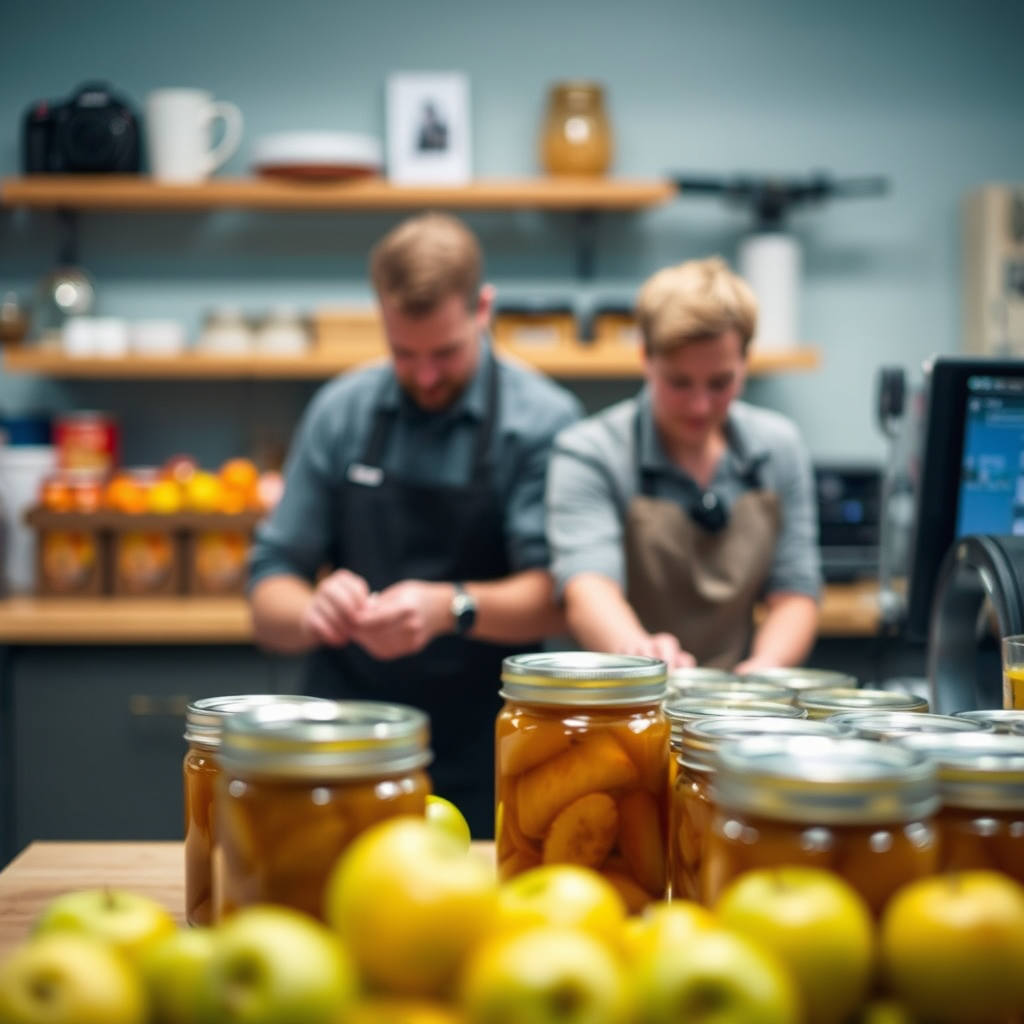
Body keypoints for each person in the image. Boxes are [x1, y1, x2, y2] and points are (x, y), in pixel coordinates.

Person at [248, 213, 583, 836]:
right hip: (346, 747)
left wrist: (450, 607)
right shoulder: (341, 411)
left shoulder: (543, 420)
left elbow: (560, 599)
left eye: (446, 353)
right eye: (404, 353)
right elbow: (270, 588)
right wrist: (310, 611)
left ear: (483, 308)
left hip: (492, 745)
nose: (425, 376)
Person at [546, 257, 821, 673]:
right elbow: (588, 589)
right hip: (620, 697)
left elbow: (795, 594)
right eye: (679, 382)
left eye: (720, 383)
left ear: (745, 362)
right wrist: (639, 653)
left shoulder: (778, 448)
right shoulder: (589, 452)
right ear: (645, 358)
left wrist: (764, 671)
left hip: (733, 704)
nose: (699, 405)